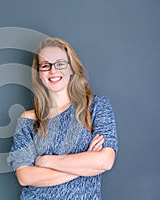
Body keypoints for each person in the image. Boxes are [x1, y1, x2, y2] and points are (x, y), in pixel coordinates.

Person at [7, 37, 118, 199]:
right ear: (39, 74)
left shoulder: (95, 106)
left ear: (71, 68)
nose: (53, 71)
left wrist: (46, 162)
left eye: (60, 63)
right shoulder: (28, 119)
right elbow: (25, 177)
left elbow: (105, 161)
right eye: (45, 65)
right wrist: (85, 165)